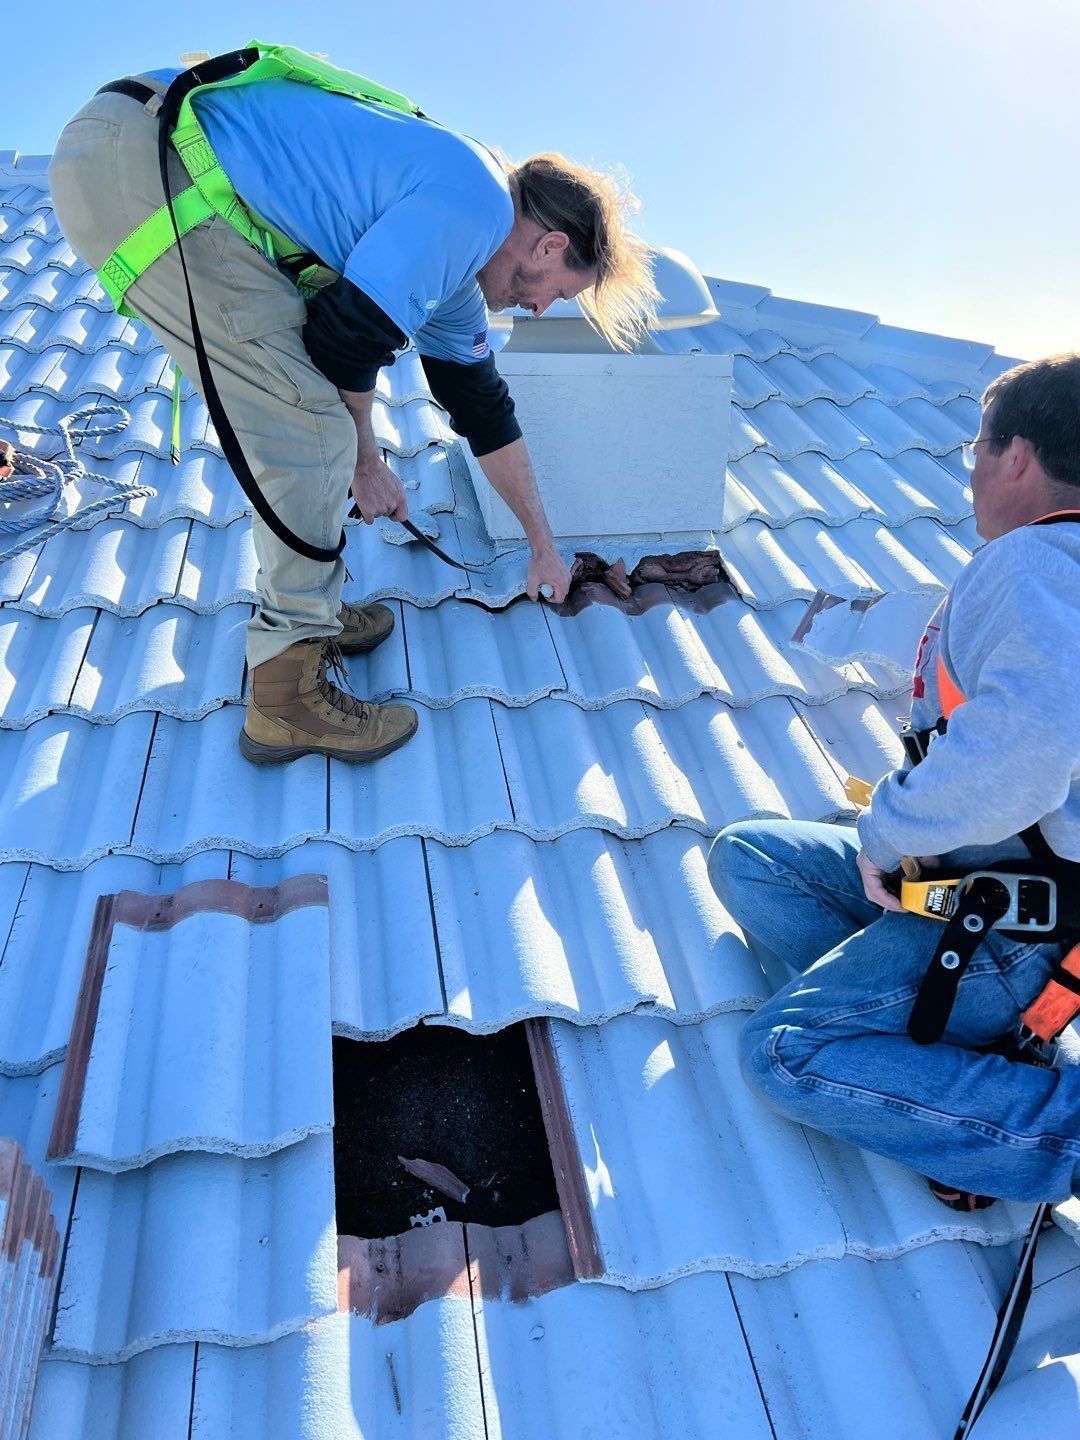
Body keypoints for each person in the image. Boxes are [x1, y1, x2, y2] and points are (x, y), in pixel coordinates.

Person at [48, 50, 657, 763]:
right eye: (559, 291)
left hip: (146, 152)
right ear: (550, 245)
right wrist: (367, 464)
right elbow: (345, 343)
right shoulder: (477, 204)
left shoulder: (457, 260)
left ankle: (310, 608)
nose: (540, 307)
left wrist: (543, 548)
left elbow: (483, 409)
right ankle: (286, 699)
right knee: (310, 423)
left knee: (315, 411)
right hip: (151, 165)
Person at [709, 353, 1080, 1207]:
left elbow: (1030, 747)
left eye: (978, 450)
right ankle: (951, 1055)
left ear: (1017, 457)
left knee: (783, 1053)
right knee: (749, 856)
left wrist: (886, 835)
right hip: (970, 888)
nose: (971, 472)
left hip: (1009, 928)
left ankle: (1052, 1130)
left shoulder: (1036, 561)